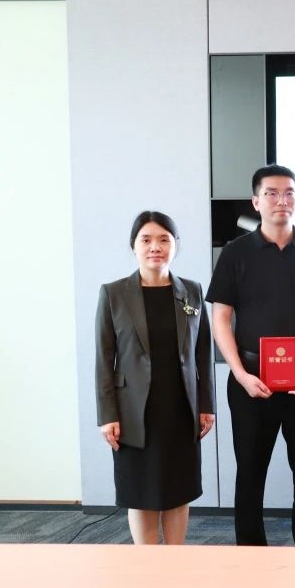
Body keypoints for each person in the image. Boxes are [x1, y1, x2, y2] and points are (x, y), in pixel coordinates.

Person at [206, 164, 295, 547]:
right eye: (272, 193)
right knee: (249, 470)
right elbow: (221, 318)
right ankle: (250, 551)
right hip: (250, 380)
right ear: (256, 201)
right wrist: (240, 374)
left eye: (289, 192)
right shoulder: (236, 253)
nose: (282, 200)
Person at [95, 211, 214, 544]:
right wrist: (107, 415)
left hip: (180, 407)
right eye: (146, 240)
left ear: (175, 245)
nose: (155, 247)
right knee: (141, 492)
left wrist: (207, 405)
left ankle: (174, 560)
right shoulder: (114, 294)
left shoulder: (192, 291)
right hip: (133, 411)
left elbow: (203, 354)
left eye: (164, 239)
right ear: (133, 246)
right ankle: (146, 563)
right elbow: (103, 359)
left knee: (178, 490)